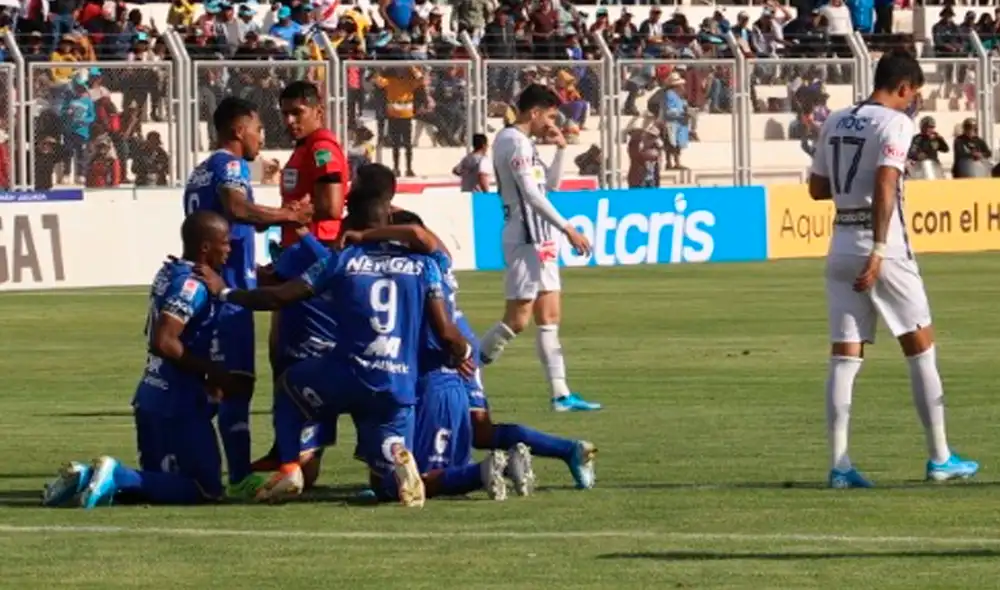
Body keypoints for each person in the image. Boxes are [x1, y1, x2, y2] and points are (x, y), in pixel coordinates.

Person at [195, 187, 472, 507]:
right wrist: (464, 353)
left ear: (352, 218)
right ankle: (397, 454)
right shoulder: (425, 267)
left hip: (349, 374)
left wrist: (224, 292)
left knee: (289, 386)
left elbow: (278, 296)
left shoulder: (343, 261)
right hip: (398, 387)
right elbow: (447, 333)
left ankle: (288, 468)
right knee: (385, 485)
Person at [807, 50, 979, 489]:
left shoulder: (836, 119)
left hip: (839, 241)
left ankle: (839, 464)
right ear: (904, 87)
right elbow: (886, 181)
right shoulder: (896, 123)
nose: (912, 103)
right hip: (881, 245)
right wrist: (881, 248)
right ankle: (940, 457)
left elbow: (816, 188)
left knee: (845, 355)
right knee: (920, 345)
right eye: (913, 95)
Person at [41, 211, 236, 508]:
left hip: (150, 395)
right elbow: (164, 341)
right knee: (206, 490)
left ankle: (85, 477)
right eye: (225, 242)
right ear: (206, 247)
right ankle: (117, 476)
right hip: (177, 401)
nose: (230, 249)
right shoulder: (193, 285)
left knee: (156, 484)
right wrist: (212, 371)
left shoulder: (168, 271)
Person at [183, 96, 312, 499]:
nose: (261, 136)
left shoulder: (200, 171)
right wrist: (289, 215)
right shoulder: (230, 165)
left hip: (208, 287)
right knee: (236, 384)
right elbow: (238, 209)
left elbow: (226, 223)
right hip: (227, 296)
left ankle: (196, 466)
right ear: (239, 130)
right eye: (257, 128)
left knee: (214, 385)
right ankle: (239, 476)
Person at [479, 84, 601, 413]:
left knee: (549, 316)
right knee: (517, 320)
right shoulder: (512, 141)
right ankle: (467, 369)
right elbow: (532, 196)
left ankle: (561, 395)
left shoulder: (525, 143)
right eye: (548, 115)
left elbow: (550, 186)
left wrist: (560, 149)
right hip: (526, 237)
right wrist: (569, 228)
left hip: (541, 237)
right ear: (534, 112)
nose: (551, 122)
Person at [279, 80, 350, 248]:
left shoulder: (322, 149)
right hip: (300, 246)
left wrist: (284, 215)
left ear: (318, 112)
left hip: (317, 245)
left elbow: (332, 207)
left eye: (297, 113)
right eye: (285, 113)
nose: (290, 120)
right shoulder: (305, 147)